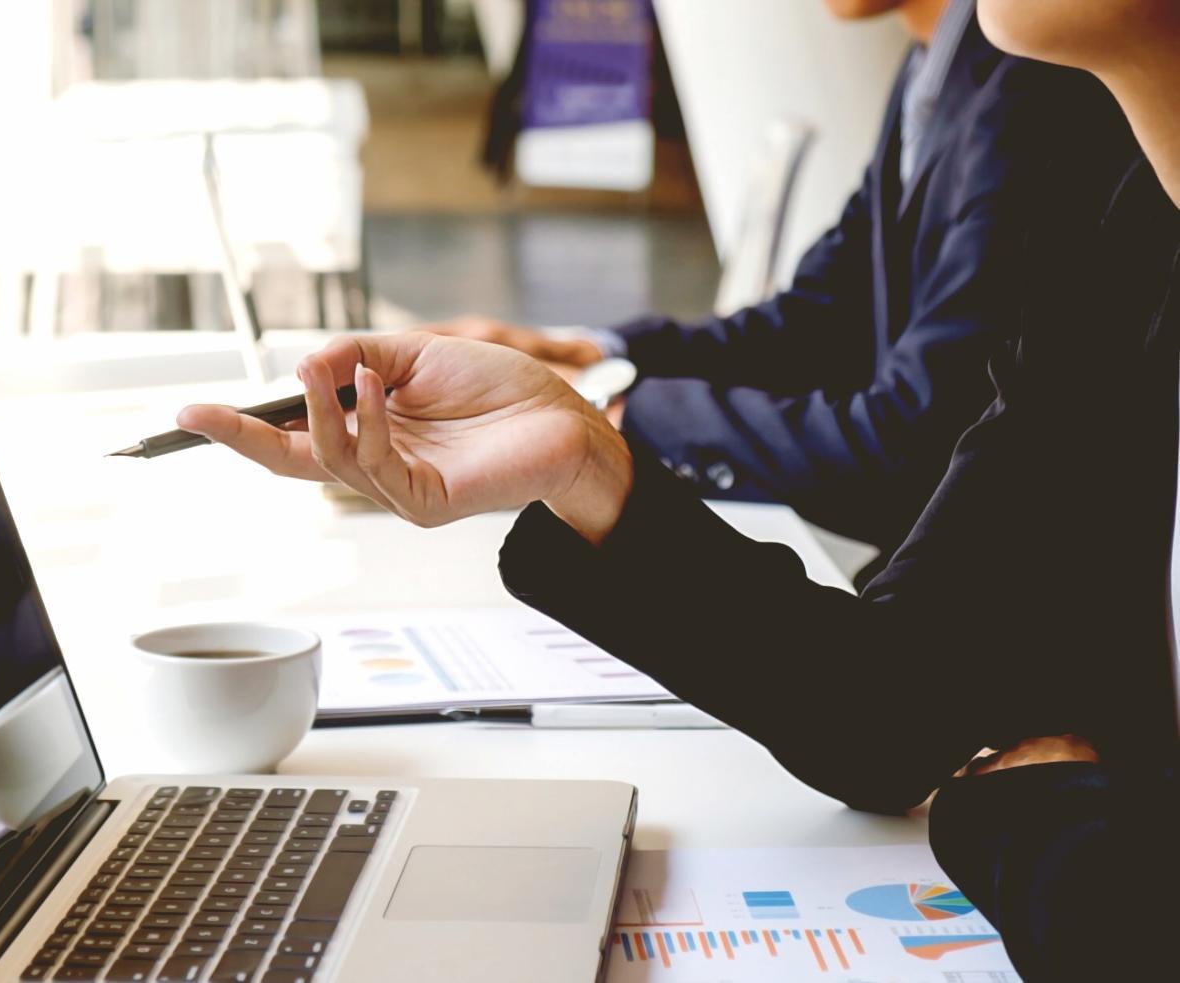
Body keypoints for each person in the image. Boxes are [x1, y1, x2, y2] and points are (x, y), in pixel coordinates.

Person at [175, 1, 1180, 976]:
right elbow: (889, 714)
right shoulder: (1129, 226)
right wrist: (583, 456)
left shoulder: (1052, 129)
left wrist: (1026, 814)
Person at [427, 0, 1133, 559]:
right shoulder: (932, 71)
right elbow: (815, 322)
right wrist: (593, 355)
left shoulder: (1029, 88)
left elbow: (912, 447)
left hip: (989, 630)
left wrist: (609, 420)